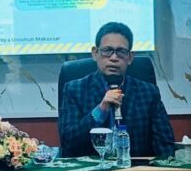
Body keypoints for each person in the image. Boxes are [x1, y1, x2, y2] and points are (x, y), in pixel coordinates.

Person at [58, 22, 175, 158]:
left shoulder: (148, 93)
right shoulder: (74, 90)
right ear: (95, 53)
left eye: (121, 52)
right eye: (107, 50)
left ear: (130, 57)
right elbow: (68, 142)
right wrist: (100, 110)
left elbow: (165, 145)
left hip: (135, 169)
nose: (114, 58)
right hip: (91, 169)